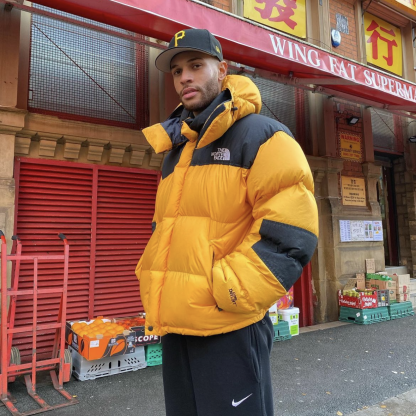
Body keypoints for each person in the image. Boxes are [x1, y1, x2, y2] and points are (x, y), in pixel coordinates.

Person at [135, 28, 319, 416]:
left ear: (222, 70)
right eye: (177, 71)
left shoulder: (263, 136)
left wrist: (229, 291)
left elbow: (291, 234)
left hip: (230, 326)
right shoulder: (178, 148)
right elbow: (166, 228)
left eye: (196, 66)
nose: (184, 77)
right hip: (177, 325)